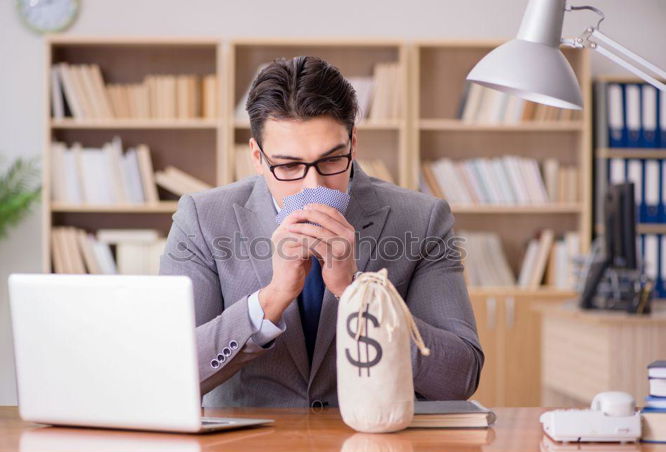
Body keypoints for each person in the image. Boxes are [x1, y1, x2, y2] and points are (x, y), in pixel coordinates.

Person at [160, 56, 483, 408]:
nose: (312, 185)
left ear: (353, 144)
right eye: (288, 165)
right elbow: (169, 374)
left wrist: (356, 292)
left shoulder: (421, 220)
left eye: (331, 160)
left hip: (372, 447)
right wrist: (272, 298)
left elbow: (460, 377)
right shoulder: (203, 220)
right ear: (257, 156)